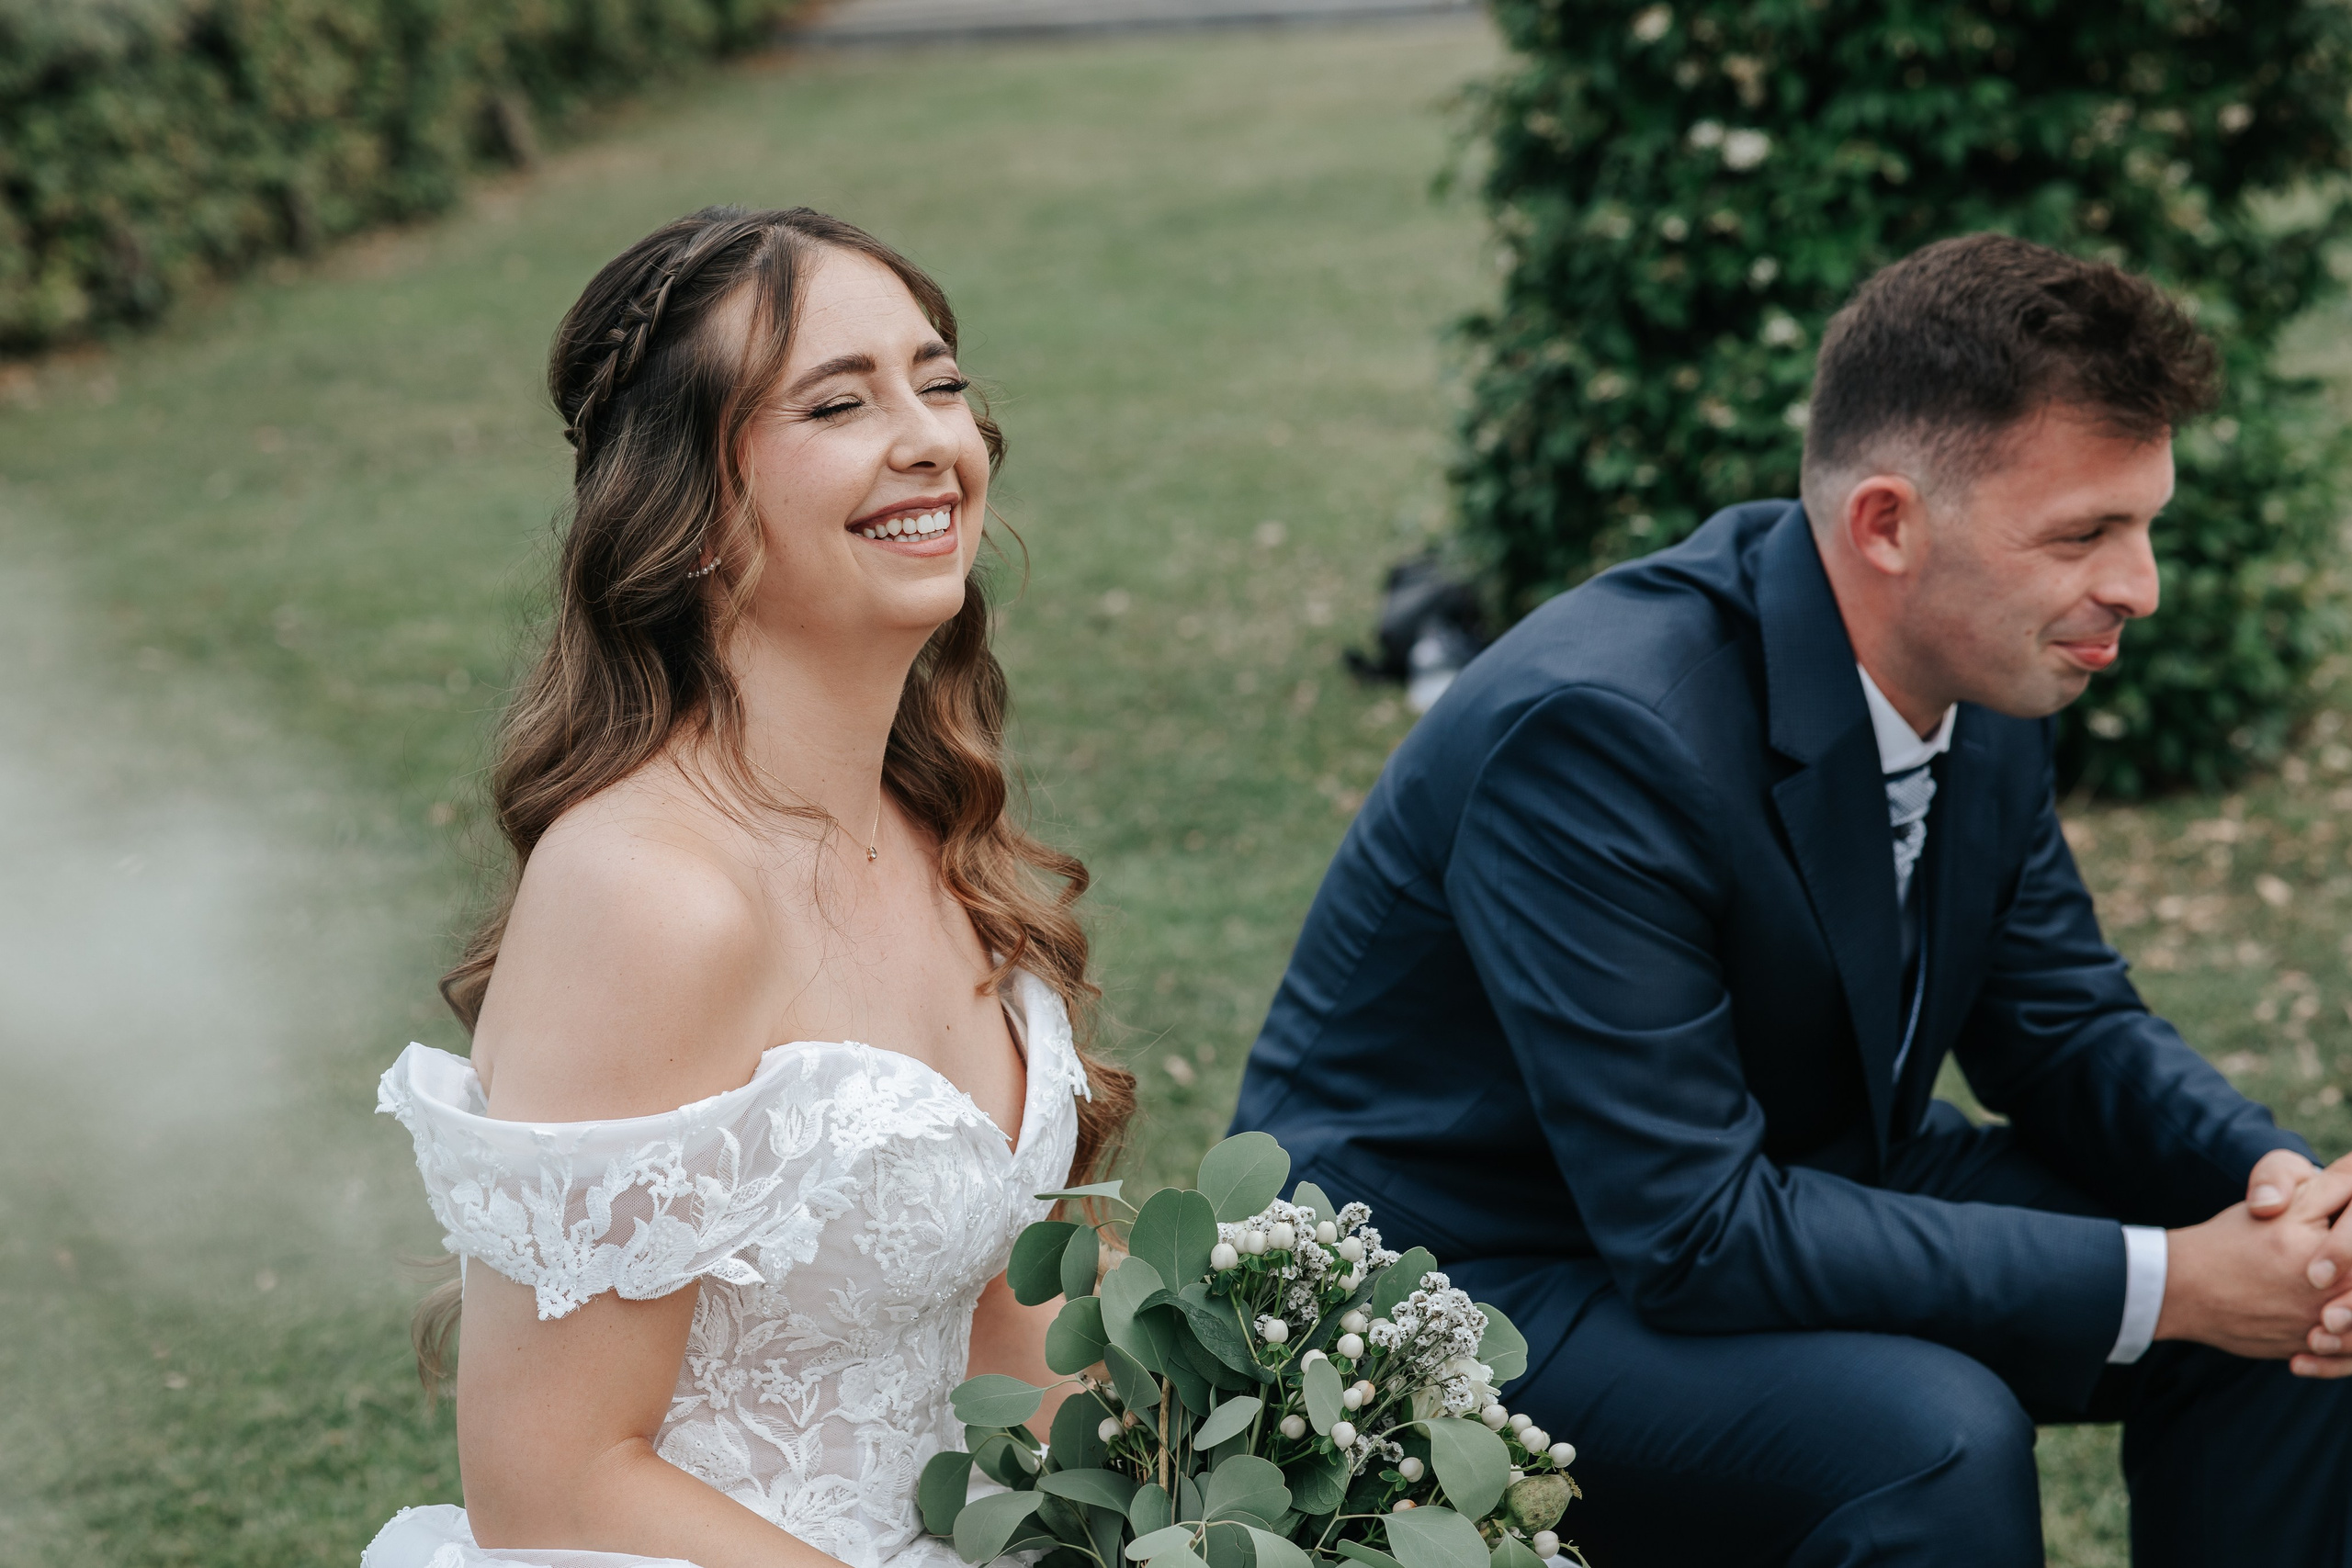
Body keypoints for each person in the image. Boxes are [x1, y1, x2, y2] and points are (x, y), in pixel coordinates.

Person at [1229, 233, 2352, 1566]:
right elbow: (1694, 1230)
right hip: (1453, 1282)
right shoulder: (1604, 730)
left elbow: (2060, 1021)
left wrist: (2278, 1194)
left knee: (2317, 1309)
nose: (2138, 586)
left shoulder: (1980, 658)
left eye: (2145, 524)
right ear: (1886, 524)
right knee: (1928, 1437)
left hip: (1763, 1176)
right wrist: (2171, 1285)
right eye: (2084, 534)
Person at [362, 206, 1134, 1568]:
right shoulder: (646, 895)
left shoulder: (929, 818)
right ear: (694, 508)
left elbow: (1014, 1322)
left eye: (939, 382)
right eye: (839, 403)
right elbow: (554, 1487)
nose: (931, 441)